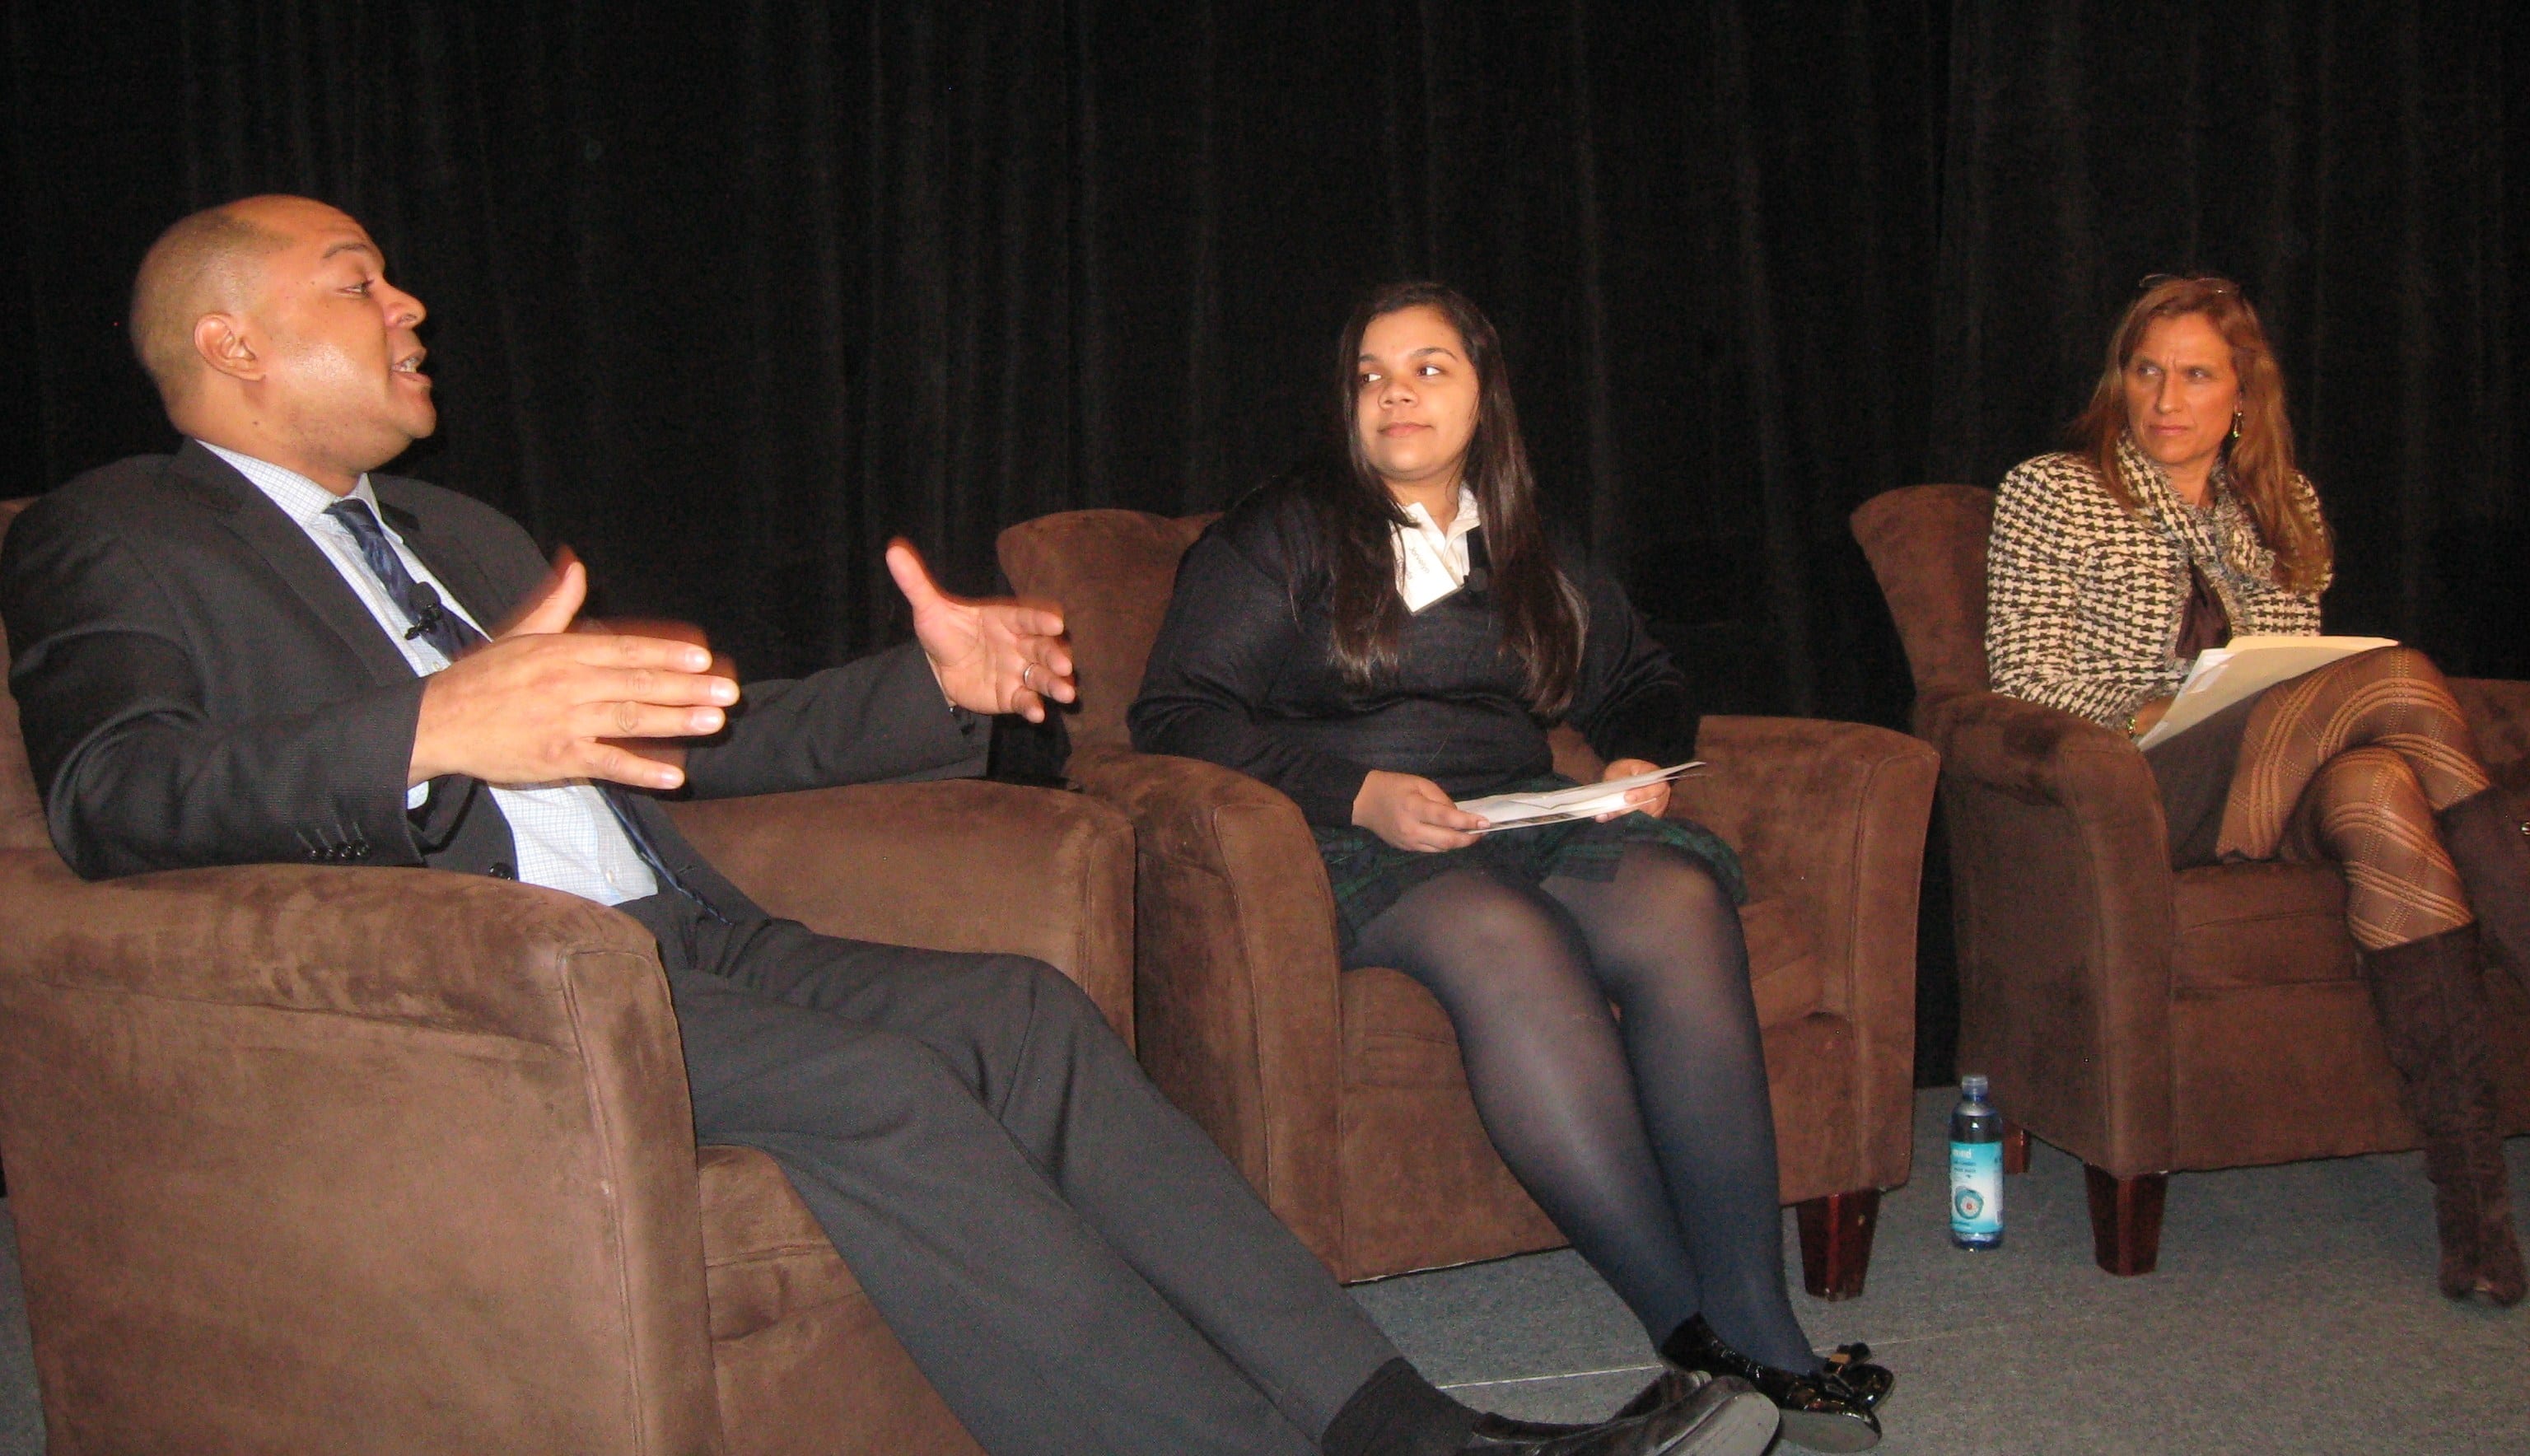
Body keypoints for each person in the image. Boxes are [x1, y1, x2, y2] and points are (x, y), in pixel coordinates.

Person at [0, 197, 1788, 1456]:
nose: (410, 311)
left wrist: (934, 689)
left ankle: (1397, 1418)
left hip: (685, 940)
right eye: (358, 282)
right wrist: (423, 725)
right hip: (486, 992)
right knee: (889, 1088)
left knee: (1023, 1011)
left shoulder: (456, 533)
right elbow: (111, 797)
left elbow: (702, 729)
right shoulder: (116, 534)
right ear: (229, 340)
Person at [1131, 282, 1893, 1454]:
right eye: (1373, 374)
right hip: (1348, 832)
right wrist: (1362, 795)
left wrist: (1636, 751)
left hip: (1528, 808)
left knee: (1681, 900)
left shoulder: (1524, 532)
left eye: (1429, 368)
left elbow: (1640, 675)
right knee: (1511, 943)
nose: (1397, 393)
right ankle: (1692, 1330)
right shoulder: (1278, 532)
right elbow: (1176, 711)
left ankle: (1761, 1326)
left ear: (1484, 394)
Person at [1986, 273, 2530, 1306]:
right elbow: (2021, 676)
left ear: (2244, 395)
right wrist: (2159, 706)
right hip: (2145, 779)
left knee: (2379, 799)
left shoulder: (2281, 503)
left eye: (2195, 375)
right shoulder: (2053, 489)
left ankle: (2476, 1221)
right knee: (2404, 675)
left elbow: (2304, 675)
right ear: (2120, 379)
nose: (2165, 399)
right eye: (2146, 371)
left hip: (2276, 773)